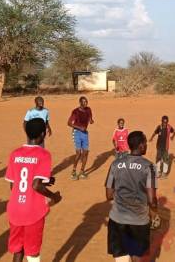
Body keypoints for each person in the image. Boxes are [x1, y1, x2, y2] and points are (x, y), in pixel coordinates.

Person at [5, 119, 61, 262]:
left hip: (15, 208)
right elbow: (36, 185)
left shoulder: (15, 153)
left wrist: (45, 181)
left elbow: (14, 185)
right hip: (33, 211)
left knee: (18, 250)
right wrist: (54, 197)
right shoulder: (43, 154)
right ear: (42, 134)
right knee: (33, 253)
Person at [104, 131, 158, 262]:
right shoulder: (149, 167)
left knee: (121, 257)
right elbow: (152, 200)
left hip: (117, 220)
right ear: (141, 146)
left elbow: (109, 195)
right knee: (137, 256)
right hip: (139, 221)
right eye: (145, 143)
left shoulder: (115, 164)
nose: (146, 145)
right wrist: (155, 215)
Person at [67, 96, 93, 180]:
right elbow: (69, 123)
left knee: (85, 153)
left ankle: (82, 172)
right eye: (83, 102)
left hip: (85, 133)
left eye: (86, 101)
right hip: (77, 133)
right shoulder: (75, 111)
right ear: (80, 102)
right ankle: (73, 172)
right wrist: (80, 128)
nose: (85, 103)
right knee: (78, 153)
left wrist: (91, 120)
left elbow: (90, 118)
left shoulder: (88, 109)